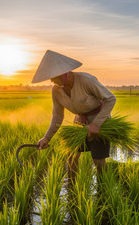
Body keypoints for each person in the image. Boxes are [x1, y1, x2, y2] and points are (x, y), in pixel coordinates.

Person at [32, 50, 116, 181]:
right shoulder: (56, 90)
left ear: (65, 73)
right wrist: (47, 137)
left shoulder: (86, 80)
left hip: (100, 122)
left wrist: (96, 124)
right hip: (80, 124)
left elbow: (110, 99)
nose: (51, 80)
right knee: (71, 156)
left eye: (54, 76)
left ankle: (104, 186)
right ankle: (72, 187)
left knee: (98, 160)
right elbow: (57, 116)